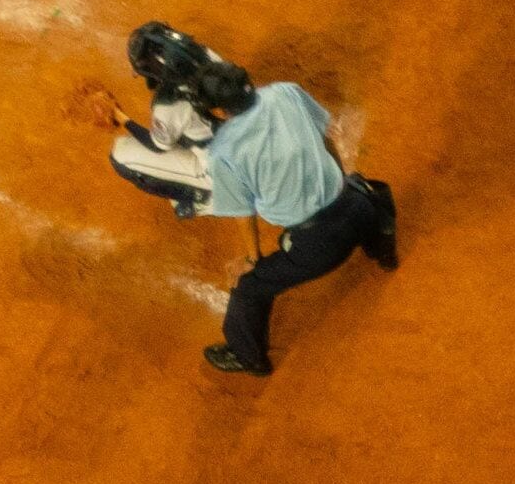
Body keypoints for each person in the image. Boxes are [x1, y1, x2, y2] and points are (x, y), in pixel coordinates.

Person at [103, 22, 396, 375]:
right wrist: (340, 180)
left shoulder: (227, 150)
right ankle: (384, 250)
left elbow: (243, 213)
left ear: (218, 111)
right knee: (375, 192)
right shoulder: (285, 92)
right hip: (357, 205)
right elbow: (325, 137)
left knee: (248, 290)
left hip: (318, 248)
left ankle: (248, 357)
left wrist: (251, 260)